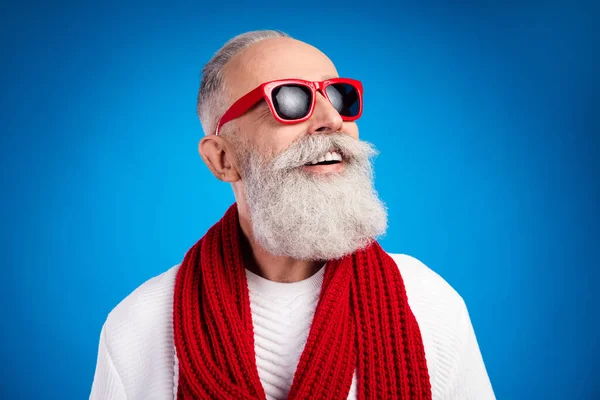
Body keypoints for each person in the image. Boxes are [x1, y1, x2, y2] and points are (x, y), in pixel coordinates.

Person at [90, 30, 495, 400]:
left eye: (338, 96)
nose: (332, 121)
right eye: (289, 99)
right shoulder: (140, 327)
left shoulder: (429, 304)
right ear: (223, 158)